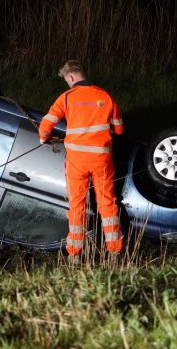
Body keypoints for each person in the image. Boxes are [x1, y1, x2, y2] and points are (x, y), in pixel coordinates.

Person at [38, 60, 123, 258]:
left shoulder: (67, 97)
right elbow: (119, 129)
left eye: (67, 81)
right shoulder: (105, 95)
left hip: (77, 162)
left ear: (71, 77)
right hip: (102, 159)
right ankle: (114, 252)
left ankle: (75, 254)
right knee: (108, 203)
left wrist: (44, 139)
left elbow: (47, 123)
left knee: (77, 205)